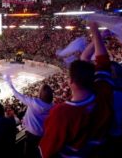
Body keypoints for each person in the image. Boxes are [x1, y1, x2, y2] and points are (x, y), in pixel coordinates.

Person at [39, 22, 114, 157]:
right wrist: (98, 34)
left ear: (71, 82)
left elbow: (47, 152)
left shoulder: (62, 113)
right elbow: (101, 60)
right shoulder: (103, 91)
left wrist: (95, 31)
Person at [7, 78, 53, 158]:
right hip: (43, 134)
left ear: (41, 94)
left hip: (31, 135)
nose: (38, 92)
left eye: (39, 90)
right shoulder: (52, 106)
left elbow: (18, 95)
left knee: (28, 154)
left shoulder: (34, 102)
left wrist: (10, 85)